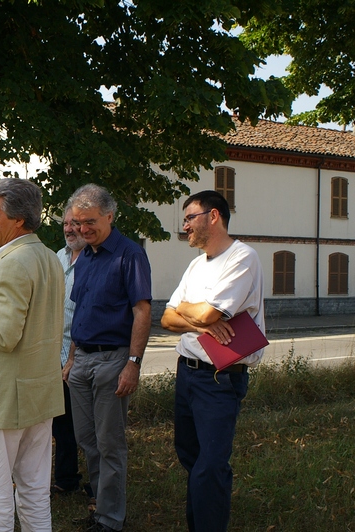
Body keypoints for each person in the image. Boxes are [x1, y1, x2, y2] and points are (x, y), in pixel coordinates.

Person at [0, 178, 65, 531]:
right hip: (37, 394)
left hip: (0, 399)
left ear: (18, 220)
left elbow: (3, 335)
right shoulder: (49, 258)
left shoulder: (14, 263)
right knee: (34, 490)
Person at [160, 190, 265, 532]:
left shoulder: (242, 258)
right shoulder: (195, 264)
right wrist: (198, 320)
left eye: (190, 217)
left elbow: (208, 311)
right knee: (190, 456)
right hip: (187, 374)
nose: (185, 225)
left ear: (214, 216)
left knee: (210, 465)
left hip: (220, 379)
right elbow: (167, 318)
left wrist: (194, 312)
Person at [64, 183, 151, 532]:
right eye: (77, 223)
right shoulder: (85, 256)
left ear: (110, 216)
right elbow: (80, 311)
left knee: (109, 443)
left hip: (113, 361)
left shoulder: (130, 255)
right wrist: (71, 359)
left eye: (90, 222)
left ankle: (111, 520)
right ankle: (101, 506)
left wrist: (134, 363)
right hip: (81, 360)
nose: (83, 229)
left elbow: (142, 311)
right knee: (87, 439)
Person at [51, 203, 86, 497]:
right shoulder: (55, 258)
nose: (70, 229)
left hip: (81, 353)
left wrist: (73, 357)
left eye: (76, 223)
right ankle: (65, 479)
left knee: (86, 425)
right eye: (66, 223)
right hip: (52, 352)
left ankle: (99, 485)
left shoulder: (94, 259)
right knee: (60, 424)